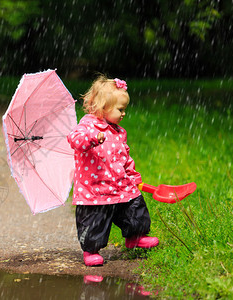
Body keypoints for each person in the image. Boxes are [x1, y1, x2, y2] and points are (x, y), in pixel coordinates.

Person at [67, 75, 158, 266]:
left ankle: (135, 236)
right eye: (120, 109)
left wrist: (132, 175)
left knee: (134, 206)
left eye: (124, 109)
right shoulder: (87, 125)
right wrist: (92, 139)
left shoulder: (118, 131)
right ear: (102, 107)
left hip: (119, 183)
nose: (124, 113)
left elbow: (124, 155)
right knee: (95, 219)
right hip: (95, 187)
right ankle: (91, 250)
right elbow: (75, 140)